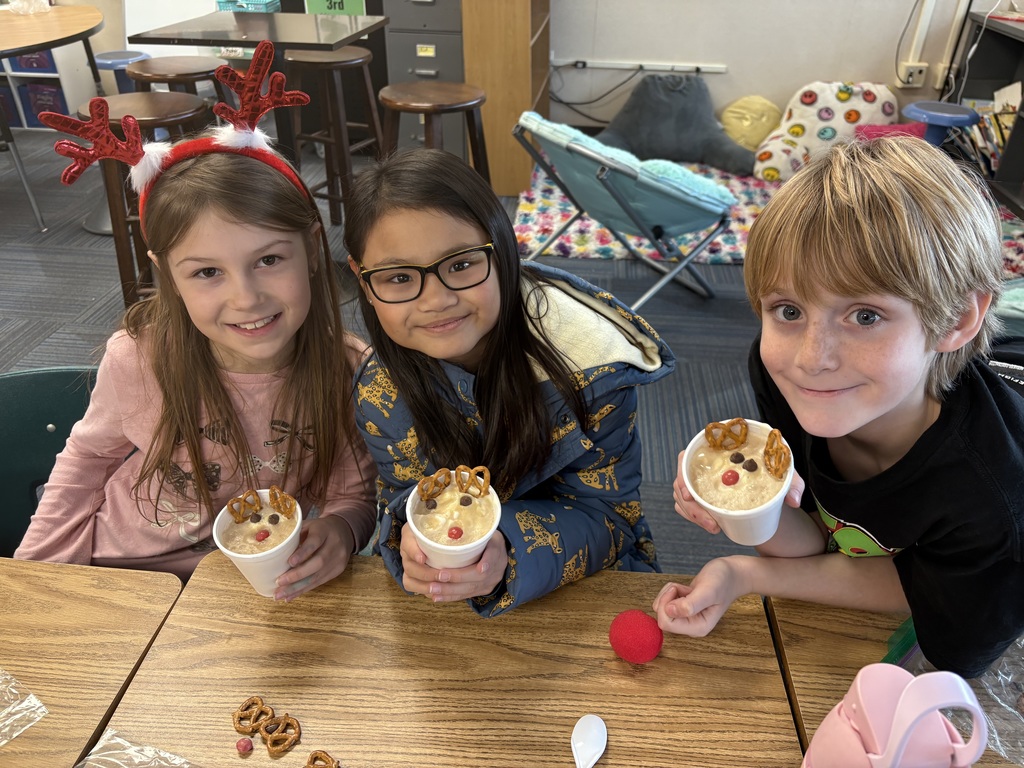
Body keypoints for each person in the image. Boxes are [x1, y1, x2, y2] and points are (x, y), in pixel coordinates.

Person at [15, 41, 377, 599]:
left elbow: (352, 493)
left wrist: (343, 531)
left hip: (243, 584)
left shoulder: (348, 369)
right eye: (207, 272)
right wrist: (38, 575)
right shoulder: (139, 358)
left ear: (310, 247)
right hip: (121, 571)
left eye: (269, 259)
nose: (246, 297)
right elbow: (87, 460)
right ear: (166, 273)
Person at [655, 136, 1024, 678]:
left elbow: (922, 593)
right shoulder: (789, 382)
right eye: (788, 309)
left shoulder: (993, 499)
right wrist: (749, 535)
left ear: (956, 320)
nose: (812, 358)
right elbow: (826, 537)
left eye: (865, 316)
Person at [343, 148, 673, 616]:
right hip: (447, 608)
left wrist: (510, 548)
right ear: (362, 279)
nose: (436, 300)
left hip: (587, 595)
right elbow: (399, 496)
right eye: (398, 277)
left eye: (460, 265)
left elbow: (612, 516)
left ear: (503, 249)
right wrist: (405, 538)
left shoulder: (590, 370)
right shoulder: (379, 389)